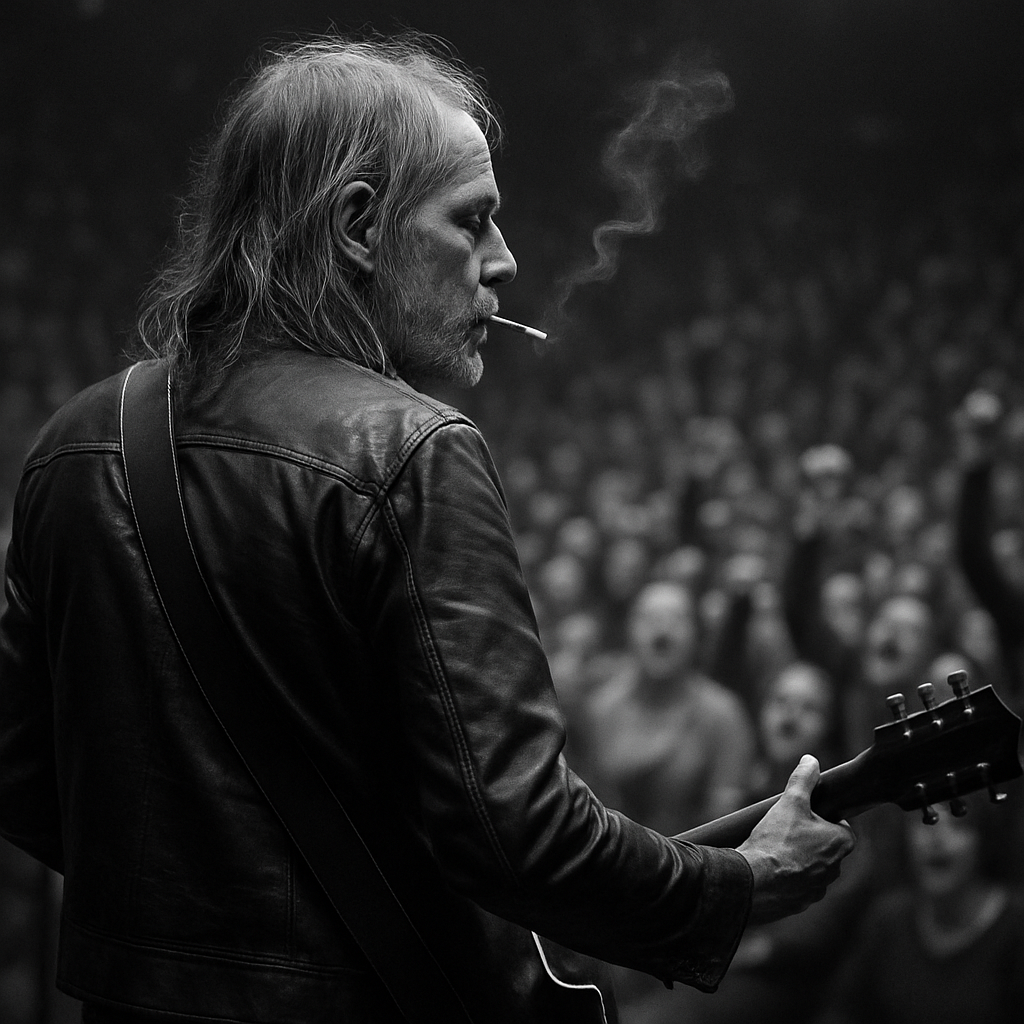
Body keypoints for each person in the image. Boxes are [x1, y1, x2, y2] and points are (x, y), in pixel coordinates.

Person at [0, 36, 854, 1024]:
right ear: (360, 225)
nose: (505, 261)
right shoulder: (411, 448)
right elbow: (518, 833)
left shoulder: (77, 441)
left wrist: (203, 891)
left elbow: (21, 767)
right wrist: (735, 885)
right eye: (473, 220)